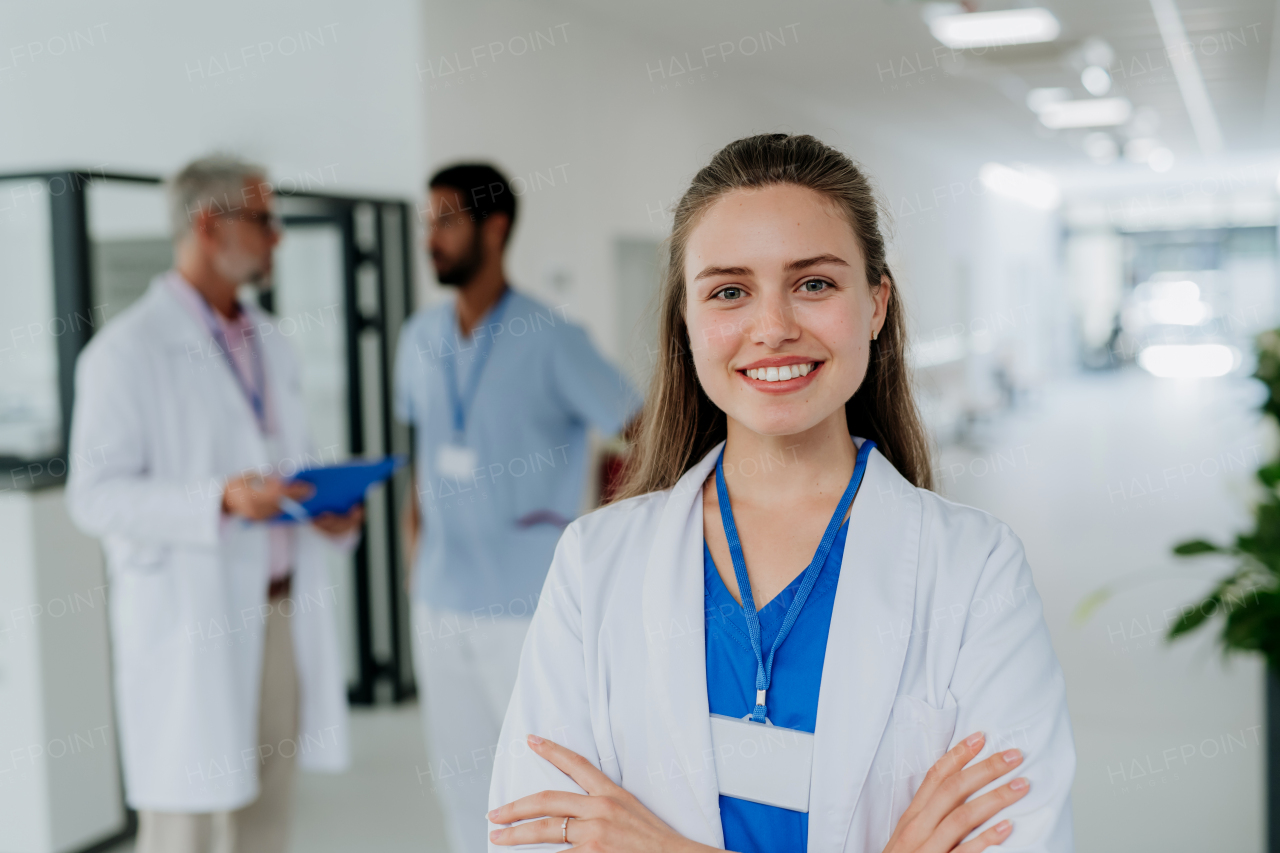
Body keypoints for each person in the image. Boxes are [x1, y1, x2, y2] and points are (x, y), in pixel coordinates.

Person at [486, 135, 1076, 852]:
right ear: (688, 319)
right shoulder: (595, 562)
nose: (773, 328)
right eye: (729, 291)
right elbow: (531, 833)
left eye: (815, 284)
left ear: (876, 303)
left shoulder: (976, 568)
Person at [66, 155, 362, 853]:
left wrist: (324, 505)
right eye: (264, 219)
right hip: (192, 624)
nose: (277, 237)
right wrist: (218, 500)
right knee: (188, 829)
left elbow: (286, 456)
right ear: (208, 223)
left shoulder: (271, 341)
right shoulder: (126, 351)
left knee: (267, 817)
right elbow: (95, 496)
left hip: (281, 612)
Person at [395, 163, 641, 853]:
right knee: (459, 783)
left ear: (493, 228)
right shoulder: (418, 339)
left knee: (539, 788)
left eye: (445, 220)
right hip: (440, 599)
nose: (431, 237)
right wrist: (415, 561)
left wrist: (615, 536)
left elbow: (647, 426)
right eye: (428, 222)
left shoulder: (553, 338)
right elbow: (425, 452)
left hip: (529, 603)